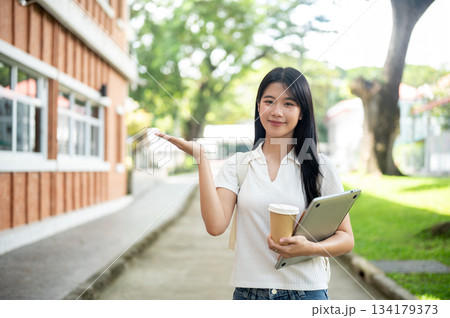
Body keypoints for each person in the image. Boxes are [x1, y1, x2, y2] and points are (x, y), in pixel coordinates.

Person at [155, 67, 354, 300]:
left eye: (288, 104)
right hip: (249, 295)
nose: (277, 111)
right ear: (259, 106)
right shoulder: (238, 165)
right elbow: (215, 226)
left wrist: (308, 248)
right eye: (269, 101)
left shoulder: (320, 166)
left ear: (302, 113)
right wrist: (202, 158)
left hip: (306, 294)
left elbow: (346, 239)